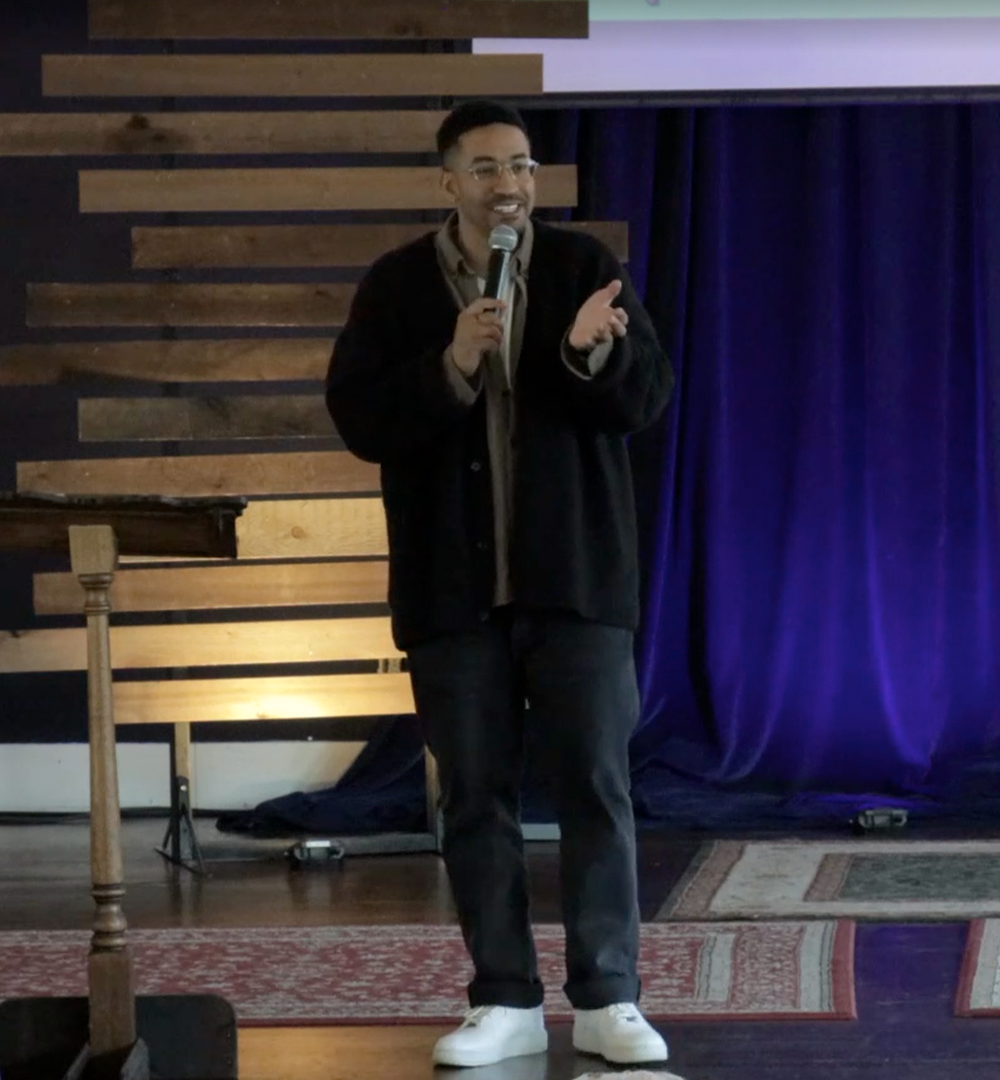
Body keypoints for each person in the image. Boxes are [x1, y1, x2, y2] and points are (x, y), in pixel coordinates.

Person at [325, 100, 675, 1069]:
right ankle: (505, 998)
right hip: (453, 592)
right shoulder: (397, 285)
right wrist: (453, 361)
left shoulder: (583, 268)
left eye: (520, 166)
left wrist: (590, 353)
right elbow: (359, 418)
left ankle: (609, 997)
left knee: (597, 787)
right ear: (449, 182)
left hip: (577, 585)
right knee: (475, 797)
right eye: (485, 168)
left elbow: (647, 399)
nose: (508, 185)